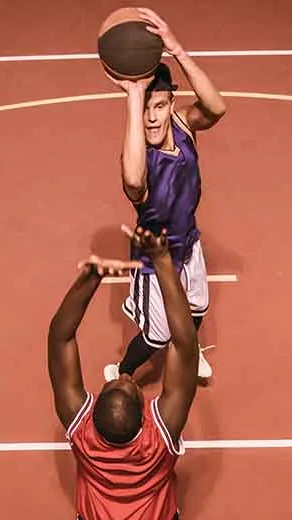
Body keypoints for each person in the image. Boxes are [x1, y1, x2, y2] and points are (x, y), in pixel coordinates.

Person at [48, 227, 199, 520]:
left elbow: (60, 338)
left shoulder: (80, 425)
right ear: (143, 409)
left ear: (93, 406)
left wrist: (90, 279)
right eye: (128, 382)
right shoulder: (161, 429)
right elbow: (185, 345)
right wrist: (164, 263)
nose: (126, 377)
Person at [104, 7, 226, 383]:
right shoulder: (137, 156)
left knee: (198, 307)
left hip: (188, 244)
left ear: (172, 103)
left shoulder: (185, 126)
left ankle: (190, 350)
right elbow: (134, 180)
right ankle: (121, 370)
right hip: (153, 261)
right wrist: (133, 96)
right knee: (157, 335)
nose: (152, 118)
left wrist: (177, 49)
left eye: (159, 106)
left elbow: (217, 107)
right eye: (145, 110)